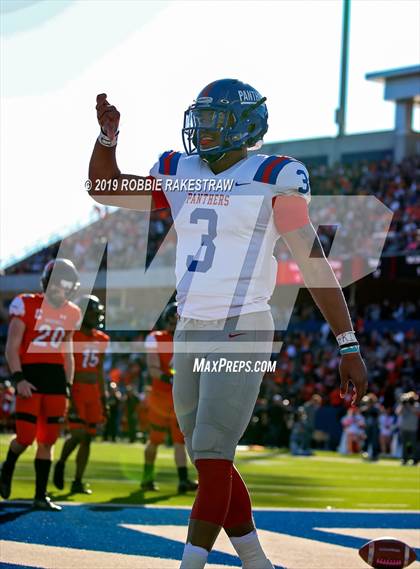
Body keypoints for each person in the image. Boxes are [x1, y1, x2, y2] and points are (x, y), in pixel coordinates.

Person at [88, 79, 368, 569]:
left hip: (243, 323)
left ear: (244, 125)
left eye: (216, 118)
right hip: (191, 324)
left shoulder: (274, 174)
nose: (204, 128)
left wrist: (347, 344)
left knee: (214, 453)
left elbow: (314, 261)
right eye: (202, 116)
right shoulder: (180, 168)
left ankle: (190, 565)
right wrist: (108, 138)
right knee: (206, 457)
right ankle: (257, 562)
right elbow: (105, 188)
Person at [0, 259, 81, 510]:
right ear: (48, 283)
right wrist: (18, 378)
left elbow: (68, 353)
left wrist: (68, 384)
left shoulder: (73, 312)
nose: (63, 291)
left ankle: (40, 495)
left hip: (56, 379)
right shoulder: (26, 303)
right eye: (59, 285)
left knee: (48, 440)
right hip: (30, 377)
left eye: (67, 287)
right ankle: (7, 466)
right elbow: (12, 347)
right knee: (25, 437)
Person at [53, 295, 109, 494]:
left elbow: (100, 370)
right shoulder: (72, 335)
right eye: (92, 313)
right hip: (76, 388)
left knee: (88, 438)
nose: (96, 317)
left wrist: (104, 398)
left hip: (93, 392)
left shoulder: (102, 338)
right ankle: (60, 463)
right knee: (78, 433)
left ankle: (78, 480)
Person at [141, 302, 198, 494]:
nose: (176, 325)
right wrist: (172, 376)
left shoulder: (188, 341)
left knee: (179, 440)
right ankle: (146, 478)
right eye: (174, 321)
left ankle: (183, 480)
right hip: (161, 396)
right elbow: (153, 369)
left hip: (179, 396)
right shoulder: (155, 338)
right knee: (155, 439)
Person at [396, 391, 420, 465]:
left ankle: (415, 459)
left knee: (414, 445)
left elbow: (418, 414)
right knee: (404, 445)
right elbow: (398, 412)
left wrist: (410, 406)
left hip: (413, 428)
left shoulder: (417, 405)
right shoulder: (404, 405)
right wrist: (403, 404)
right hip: (404, 428)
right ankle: (404, 459)